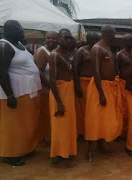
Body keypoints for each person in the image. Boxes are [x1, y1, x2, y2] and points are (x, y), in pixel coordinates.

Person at [0, 20, 41, 166]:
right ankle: (10, 154)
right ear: (9, 30)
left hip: (28, 90)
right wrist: (10, 95)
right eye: (19, 29)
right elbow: (1, 71)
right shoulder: (3, 46)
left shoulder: (20, 45)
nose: (22, 32)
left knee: (26, 123)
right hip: (15, 93)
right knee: (13, 125)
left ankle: (25, 149)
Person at [84, 25, 122, 161]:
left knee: (104, 119)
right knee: (93, 118)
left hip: (109, 87)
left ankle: (100, 145)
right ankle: (89, 150)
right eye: (113, 33)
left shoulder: (108, 49)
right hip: (98, 87)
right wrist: (100, 92)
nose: (114, 36)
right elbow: (96, 71)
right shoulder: (97, 48)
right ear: (107, 33)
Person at [48, 29, 77, 168]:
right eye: (65, 38)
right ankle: (57, 154)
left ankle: (67, 151)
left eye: (70, 38)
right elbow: (52, 80)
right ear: (59, 39)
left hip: (69, 91)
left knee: (68, 123)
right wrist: (59, 102)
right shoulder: (54, 55)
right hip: (59, 93)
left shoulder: (69, 54)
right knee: (59, 123)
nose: (69, 40)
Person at [34, 31, 59, 146]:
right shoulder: (42, 52)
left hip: (54, 88)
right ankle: (43, 137)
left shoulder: (56, 51)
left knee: (51, 112)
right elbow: (39, 71)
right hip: (45, 88)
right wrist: (50, 85)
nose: (51, 40)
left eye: (54, 38)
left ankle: (49, 135)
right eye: (48, 38)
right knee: (44, 112)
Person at [74, 31, 100, 138]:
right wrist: (77, 86)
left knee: (93, 109)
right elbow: (75, 69)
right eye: (93, 39)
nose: (96, 41)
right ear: (88, 40)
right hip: (83, 82)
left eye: (97, 39)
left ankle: (91, 130)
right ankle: (81, 132)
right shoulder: (82, 51)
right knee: (82, 109)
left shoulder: (99, 50)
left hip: (95, 83)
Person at [116, 34, 132, 138]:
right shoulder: (119, 55)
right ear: (124, 42)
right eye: (129, 40)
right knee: (123, 109)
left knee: (131, 109)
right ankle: (121, 132)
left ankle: (129, 131)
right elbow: (116, 70)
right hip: (123, 84)